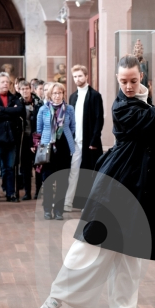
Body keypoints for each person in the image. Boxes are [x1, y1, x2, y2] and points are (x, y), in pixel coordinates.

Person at [34, 55, 155, 308]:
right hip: (118, 184)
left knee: (131, 255)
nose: (128, 86)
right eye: (123, 81)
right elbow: (153, 117)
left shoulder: (142, 98)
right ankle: (53, 301)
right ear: (117, 80)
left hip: (141, 188)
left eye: (134, 80)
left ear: (142, 79)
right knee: (89, 246)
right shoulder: (122, 107)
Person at [64, 65, 104, 211]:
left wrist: (94, 140)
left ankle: (88, 204)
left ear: (86, 76)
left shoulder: (95, 95)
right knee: (73, 172)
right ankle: (68, 202)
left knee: (88, 172)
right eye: (75, 76)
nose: (77, 79)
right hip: (75, 142)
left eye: (80, 76)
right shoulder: (72, 96)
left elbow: (99, 119)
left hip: (89, 142)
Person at [35, 82, 75, 220]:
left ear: (63, 94)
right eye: (54, 93)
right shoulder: (43, 110)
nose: (57, 96)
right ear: (49, 95)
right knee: (48, 181)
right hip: (48, 149)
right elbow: (39, 130)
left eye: (60, 93)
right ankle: (47, 209)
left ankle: (59, 211)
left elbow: (73, 127)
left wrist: (65, 138)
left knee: (63, 182)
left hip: (64, 148)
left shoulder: (69, 109)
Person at [0, 72, 24, 203]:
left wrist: (1, 110)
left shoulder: (14, 98)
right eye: (2, 82)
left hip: (11, 138)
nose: (5, 84)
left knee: (10, 168)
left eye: (7, 82)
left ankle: (10, 193)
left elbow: (19, 111)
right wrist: (9, 111)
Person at [18, 81, 43, 200]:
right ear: (19, 90)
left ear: (31, 89)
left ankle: (38, 191)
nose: (25, 91)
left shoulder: (39, 103)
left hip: (37, 137)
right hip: (23, 138)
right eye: (22, 89)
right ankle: (27, 192)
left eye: (27, 88)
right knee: (25, 167)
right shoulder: (17, 103)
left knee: (38, 165)